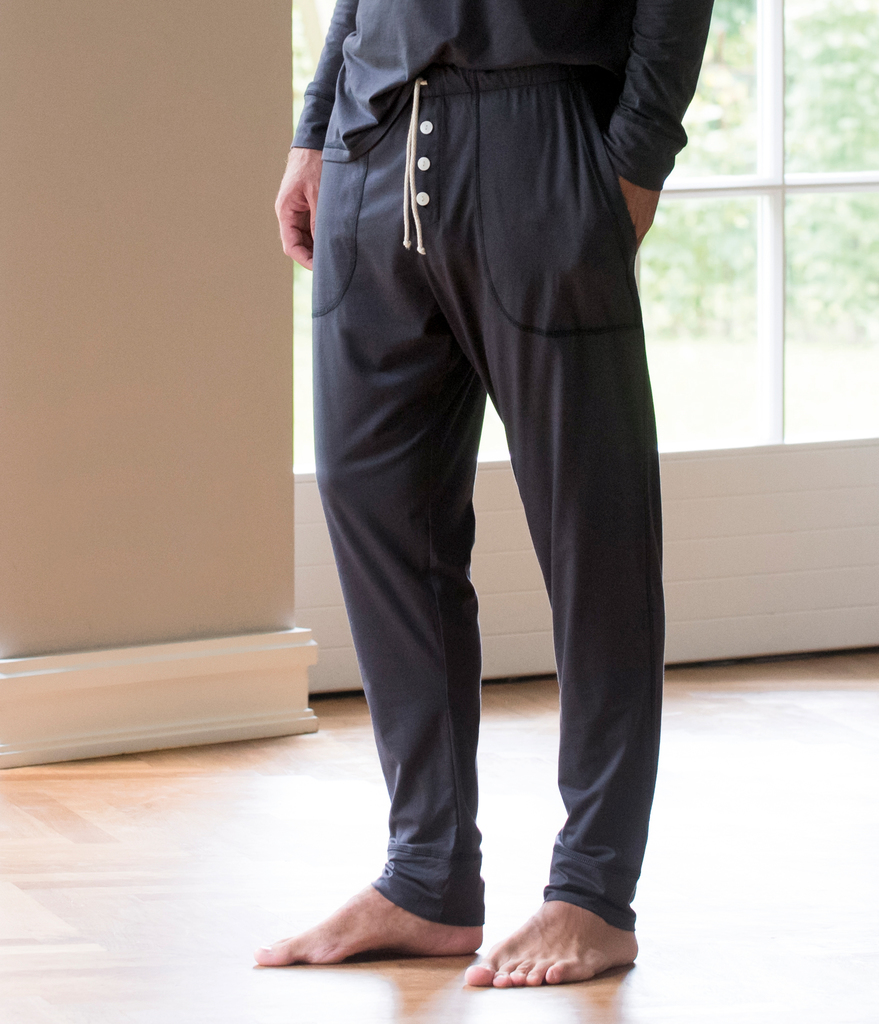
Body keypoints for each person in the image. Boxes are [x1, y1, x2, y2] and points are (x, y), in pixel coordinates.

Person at [256, 0, 714, 988]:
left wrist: (633, 164)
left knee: (592, 529)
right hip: (371, 135)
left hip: (538, 140)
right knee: (376, 509)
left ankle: (593, 890)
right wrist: (314, 127)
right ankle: (425, 875)